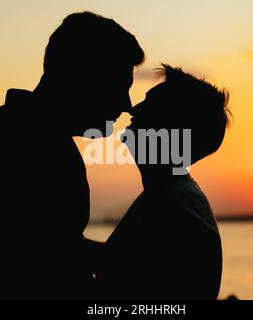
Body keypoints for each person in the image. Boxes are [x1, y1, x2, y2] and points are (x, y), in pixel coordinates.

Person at [0, 11, 144, 298]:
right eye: (118, 87)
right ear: (81, 76)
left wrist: (107, 259)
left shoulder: (24, 137)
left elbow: (46, 245)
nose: (126, 105)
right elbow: (33, 261)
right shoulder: (18, 144)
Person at [97, 64, 230, 299]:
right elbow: (118, 262)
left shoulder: (175, 209)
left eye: (151, 105)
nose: (133, 109)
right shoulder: (167, 193)